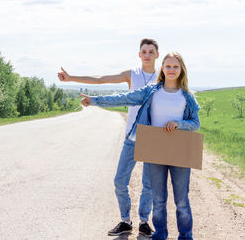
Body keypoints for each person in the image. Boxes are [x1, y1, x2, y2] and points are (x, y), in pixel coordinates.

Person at [81, 52, 200, 240]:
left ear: (181, 70)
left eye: (175, 67)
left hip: (179, 150)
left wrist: (179, 123)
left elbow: (195, 123)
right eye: (168, 66)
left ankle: (186, 237)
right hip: (155, 150)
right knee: (159, 200)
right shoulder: (151, 91)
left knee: (182, 201)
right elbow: (123, 97)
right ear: (162, 68)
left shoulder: (187, 96)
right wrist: (95, 101)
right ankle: (159, 235)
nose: (171, 70)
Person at [58, 38, 159, 237]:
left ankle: (145, 222)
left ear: (156, 55)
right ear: (139, 55)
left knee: (149, 183)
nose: (147, 55)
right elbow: (101, 79)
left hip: (152, 136)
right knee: (120, 181)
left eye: (151, 52)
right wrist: (70, 78)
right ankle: (125, 220)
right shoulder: (132, 74)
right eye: (144, 52)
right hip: (132, 135)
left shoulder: (162, 76)